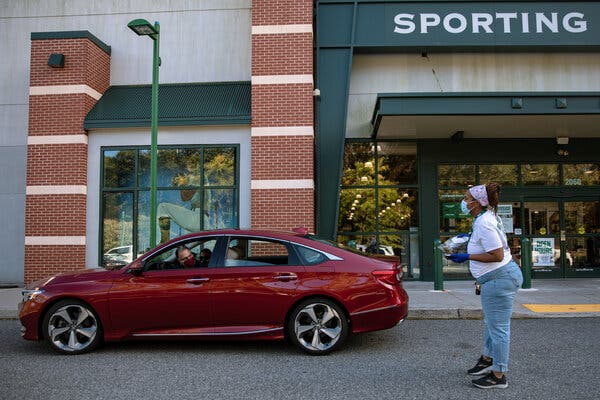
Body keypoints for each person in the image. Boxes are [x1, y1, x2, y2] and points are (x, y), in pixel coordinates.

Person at [446, 183, 523, 389]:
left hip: (500, 278)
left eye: (466, 198)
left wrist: (467, 256)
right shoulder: (486, 217)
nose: (464, 202)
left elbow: (496, 254)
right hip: (497, 277)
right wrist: (469, 240)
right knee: (492, 323)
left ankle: (498, 375)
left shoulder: (484, 223)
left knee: (499, 329)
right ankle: (488, 360)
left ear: (477, 202)